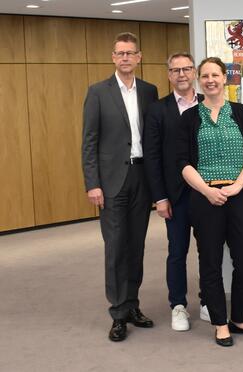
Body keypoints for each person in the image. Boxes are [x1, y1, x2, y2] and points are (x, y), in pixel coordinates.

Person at [175, 57, 243, 347]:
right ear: (199, 80)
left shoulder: (240, 112)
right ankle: (219, 323)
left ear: (224, 78)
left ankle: (239, 318)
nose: (211, 79)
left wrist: (239, 186)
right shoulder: (189, 118)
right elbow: (183, 162)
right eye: (205, 75)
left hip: (238, 196)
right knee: (211, 262)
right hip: (205, 199)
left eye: (216, 74)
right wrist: (207, 190)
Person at [82, 32, 158, 342]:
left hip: (142, 178)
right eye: (120, 53)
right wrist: (92, 183)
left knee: (136, 246)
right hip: (111, 182)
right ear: (113, 58)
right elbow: (89, 141)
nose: (125, 58)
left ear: (139, 57)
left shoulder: (150, 92)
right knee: (115, 248)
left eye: (130, 53)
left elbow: (153, 138)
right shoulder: (98, 92)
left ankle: (133, 306)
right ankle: (117, 313)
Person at [143, 52, 208, 331]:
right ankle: (178, 305)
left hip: (207, 193)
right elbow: (153, 157)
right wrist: (159, 197)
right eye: (175, 70)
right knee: (177, 252)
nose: (181, 74)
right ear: (169, 75)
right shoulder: (157, 110)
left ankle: (208, 299)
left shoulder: (209, 104)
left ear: (194, 72)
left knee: (209, 250)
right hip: (175, 196)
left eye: (186, 69)